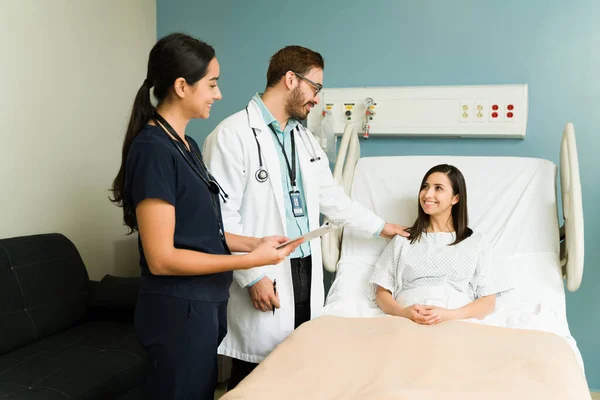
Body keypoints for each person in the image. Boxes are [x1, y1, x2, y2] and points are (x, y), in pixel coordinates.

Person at [203, 45, 409, 389]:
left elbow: (332, 199)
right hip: (264, 269)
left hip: (303, 268)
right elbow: (220, 219)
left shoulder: (305, 139)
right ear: (290, 79)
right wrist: (252, 276)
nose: (316, 99)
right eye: (315, 88)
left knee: (296, 370)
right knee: (254, 377)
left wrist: (382, 227)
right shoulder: (232, 134)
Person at [109, 33, 300, 399]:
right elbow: (162, 259)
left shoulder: (186, 145)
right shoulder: (153, 151)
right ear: (182, 86)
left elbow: (202, 230)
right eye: (212, 84)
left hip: (204, 307)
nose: (218, 94)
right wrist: (253, 260)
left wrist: (254, 243)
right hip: (177, 311)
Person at [367, 164, 513, 325]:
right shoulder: (403, 240)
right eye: (425, 187)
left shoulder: (477, 242)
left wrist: (450, 315)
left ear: (455, 198)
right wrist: (403, 313)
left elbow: (488, 301)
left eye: (438, 188)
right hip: (408, 319)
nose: (428, 194)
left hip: (458, 320)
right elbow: (381, 293)